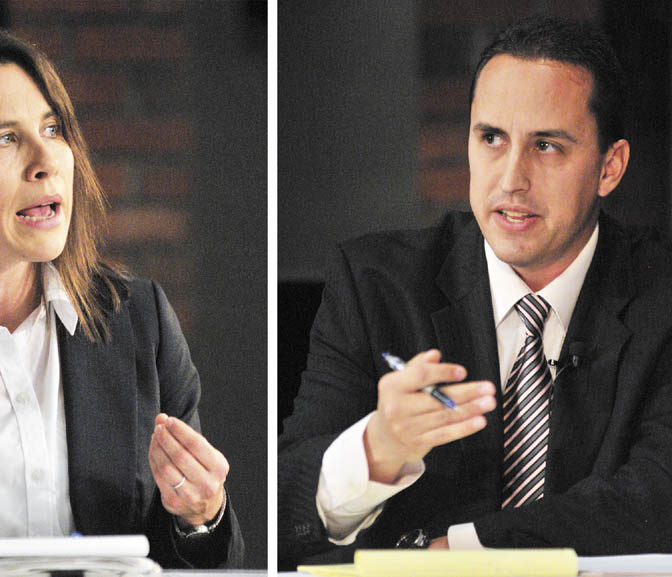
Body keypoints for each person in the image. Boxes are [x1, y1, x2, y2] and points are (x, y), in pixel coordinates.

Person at [278, 14, 672, 567]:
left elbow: (657, 497)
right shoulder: (375, 286)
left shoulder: (661, 295)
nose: (512, 178)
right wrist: (375, 452)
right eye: (491, 138)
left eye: (548, 147)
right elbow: (283, 511)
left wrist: (467, 550)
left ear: (610, 167)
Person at [0, 23, 242, 568]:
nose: (46, 161)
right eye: (4, 139)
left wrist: (200, 516)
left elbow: (206, 562)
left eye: (53, 129)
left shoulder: (138, 321)